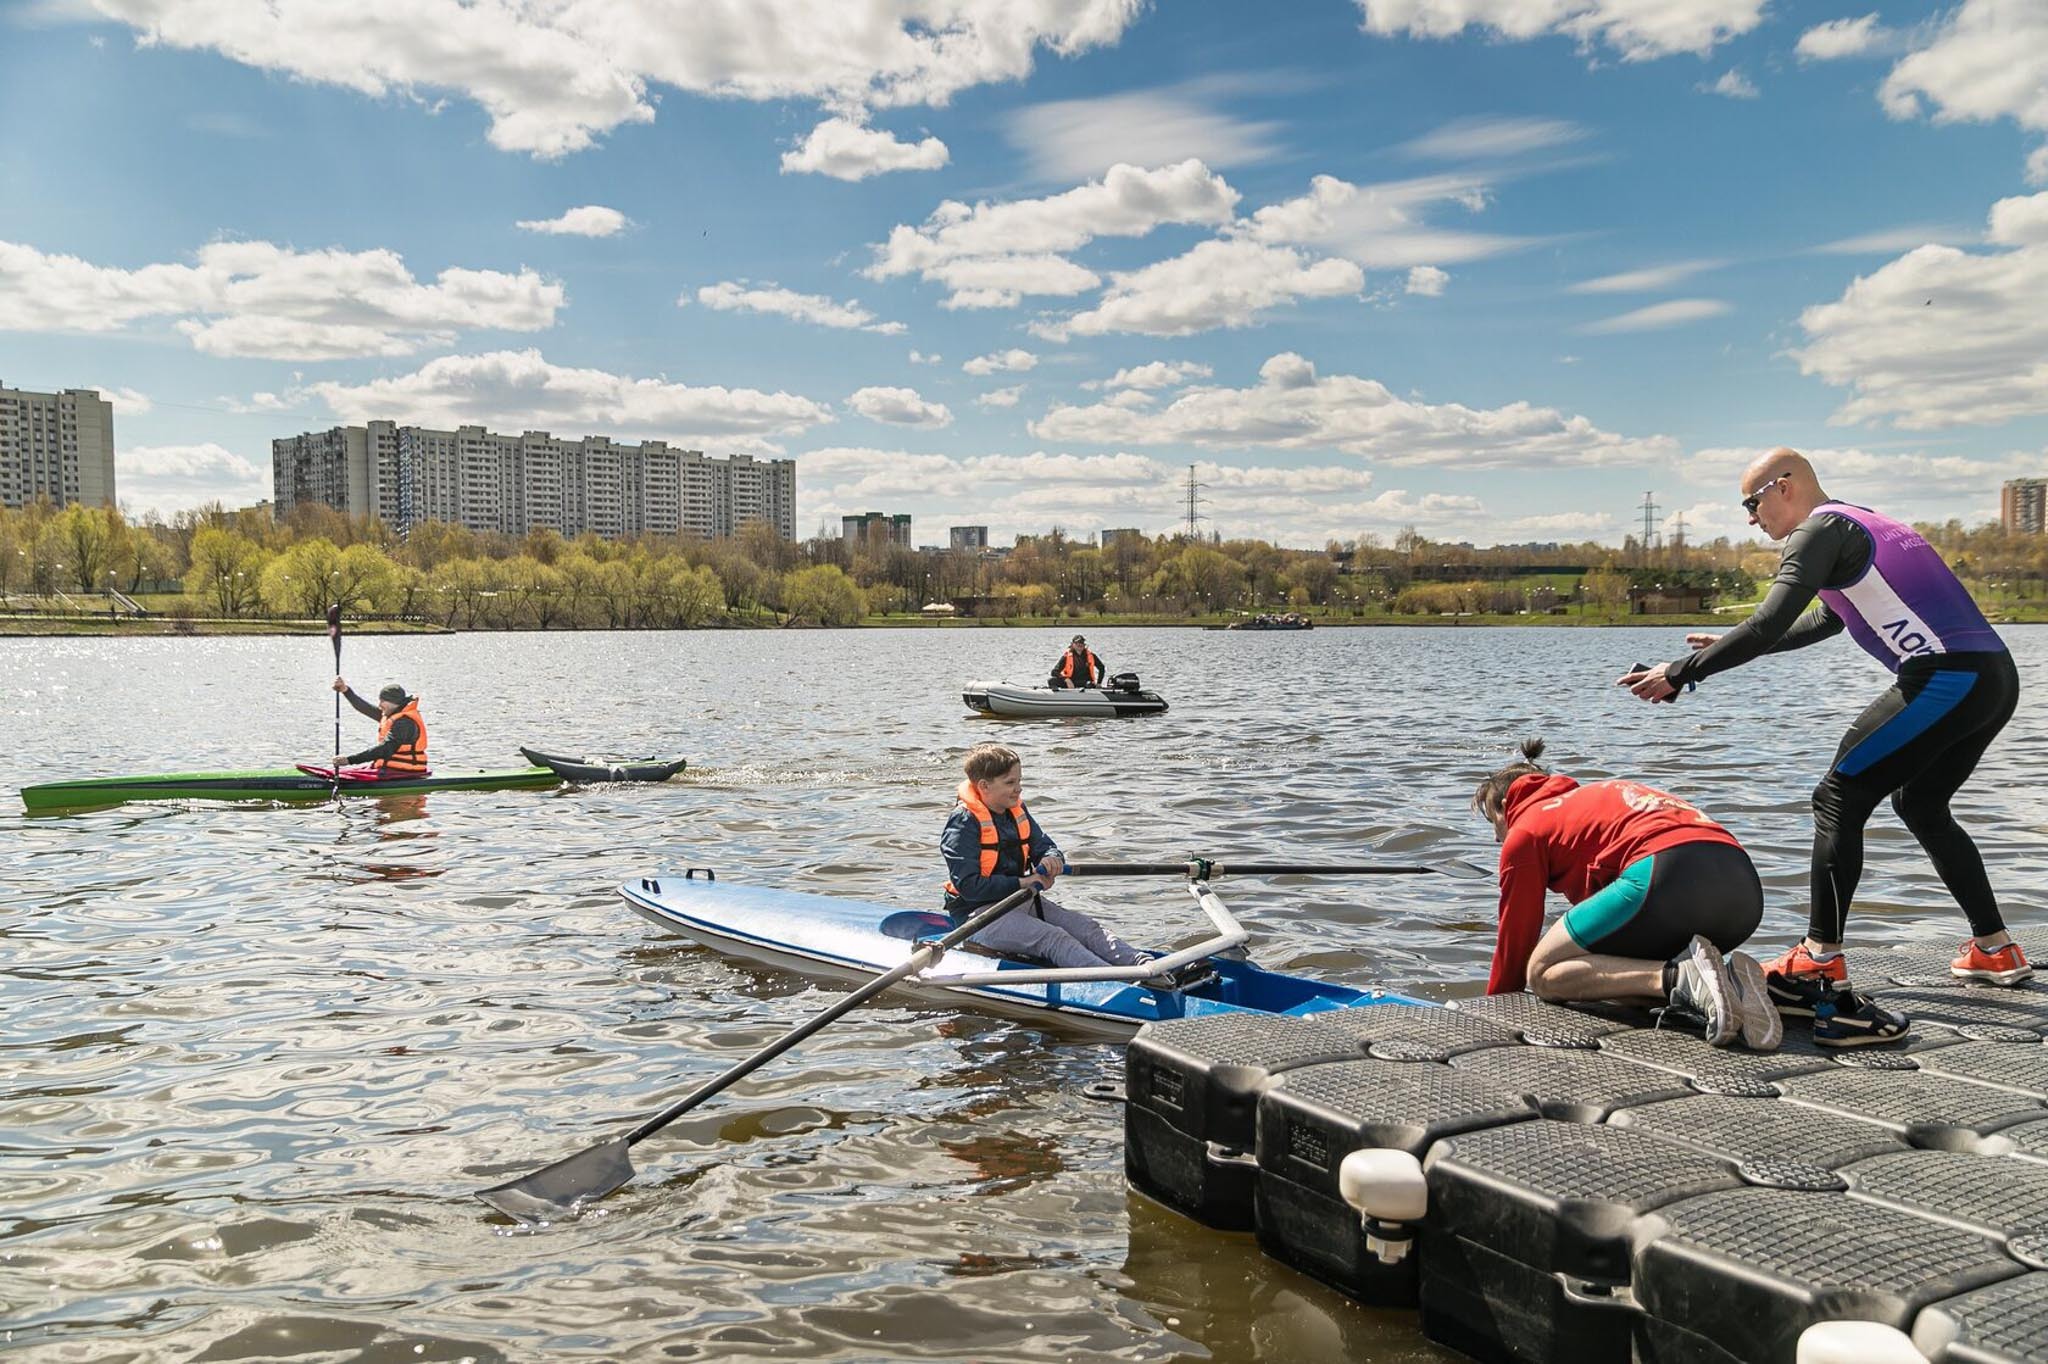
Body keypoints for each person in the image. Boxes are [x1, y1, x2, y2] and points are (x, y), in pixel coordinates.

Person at [1620, 448, 2024, 1045]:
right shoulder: (1856, 522)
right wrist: (1730, 642)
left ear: (1784, 487)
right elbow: (1824, 620)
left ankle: (1818, 957)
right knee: (1921, 805)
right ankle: (1994, 948)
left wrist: (1683, 671)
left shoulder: (1817, 532)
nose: (1751, 520)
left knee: (1837, 797)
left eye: (1751, 503)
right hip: (1991, 677)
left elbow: (1766, 623)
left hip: (1946, 676)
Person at [1473, 739, 1781, 1051]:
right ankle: (1732, 985)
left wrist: (1493, 1014)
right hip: (1743, 892)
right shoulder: (1595, 798)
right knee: (1604, 972)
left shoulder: (1525, 830)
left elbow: (1516, 939)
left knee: (1542, 972)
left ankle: (1680, 977)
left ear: (1504, 806)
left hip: (1667, 873)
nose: (1497, 838)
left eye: (1492, 822)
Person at [941, 743, 1205, 985]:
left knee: (1086, 927)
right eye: (1010, 782)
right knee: (1054, 938)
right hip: (977, 917)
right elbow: (970, 887)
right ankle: (1116, 983)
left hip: (1018, 900)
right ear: (984, 786)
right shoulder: (963, 824)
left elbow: (1043, 843)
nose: (1018, 788)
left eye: (1019, 781)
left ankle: (1150, 968)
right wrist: (1023, 882)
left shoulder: (1014, 810)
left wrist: (1051, 858)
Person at [330, 676, 429, 776]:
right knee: (334, 774)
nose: (379, 705)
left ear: (393, 702)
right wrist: (345, 690)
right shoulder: (392, 714)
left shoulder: (405, 723)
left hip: (405, 772)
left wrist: (349, 760)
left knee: (344, 776)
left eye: (382, 701)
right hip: (389, 769)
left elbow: (385, 749)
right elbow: (365, 708)